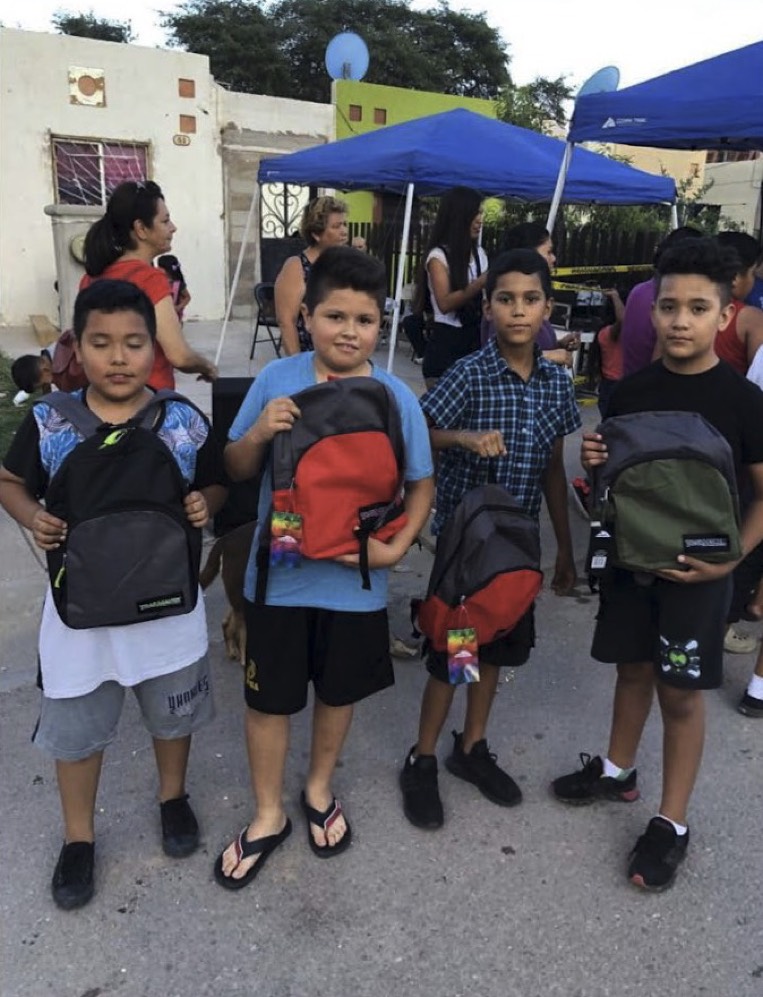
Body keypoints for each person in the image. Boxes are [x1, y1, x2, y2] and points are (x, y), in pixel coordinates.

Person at [0, 280, 228, 910]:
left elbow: (218, 486)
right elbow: (10, 481)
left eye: (134, 343)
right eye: (102, 344)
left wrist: (202, 503)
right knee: (75, 732)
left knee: (171, 714)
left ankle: (172, 797)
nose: (119, 358)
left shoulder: (179, 419)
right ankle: (79, 839)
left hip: (168, 610)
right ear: (77, 349)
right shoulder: (51, 419)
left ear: (155, 348)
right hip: (80, 618)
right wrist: (30, 515)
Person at [215, 246, 434, 889]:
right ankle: (266, 814)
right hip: (277, 578)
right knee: (268, 700)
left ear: (380, 326)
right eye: (334, 315)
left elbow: (421, 483)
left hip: (356, 587)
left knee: (338, 694)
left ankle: (316, 789)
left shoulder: (397, 397)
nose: (348, 331)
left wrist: (396, 549)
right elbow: (233, 469)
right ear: (306, 317)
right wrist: (257, 434)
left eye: (363, 320)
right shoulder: (276, 380)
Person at [551, 238, 763, 892]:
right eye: (667, 306)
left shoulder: (742, 401)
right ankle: (618, 770)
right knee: (631, 667)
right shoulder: (628, 390)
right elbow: (616, 475)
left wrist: (729, 560)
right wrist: (594, 462)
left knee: (678, 692)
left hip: (698, 574)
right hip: (630, 560)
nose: (678, 320)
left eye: (697, 307)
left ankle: (671, 822)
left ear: (723, 316)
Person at [400, 248, 581, 830]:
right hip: (467, 550)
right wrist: (465, 438)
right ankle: (423, 757)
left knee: (497, 648)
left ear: (547, 308)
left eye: (531, 300)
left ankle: (471, 748)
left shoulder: (557, 382)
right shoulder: (470, 372)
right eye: (506, 299)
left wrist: (566, 554)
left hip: (518, 550)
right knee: (454, 656)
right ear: (489, 307)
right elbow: (419, 433)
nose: (519, 311)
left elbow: (555, 467)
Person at [80, 180, 217, 390]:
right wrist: (206, 366)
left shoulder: (90, 278)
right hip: (147, 401)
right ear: (141, 229)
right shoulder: (149, 279)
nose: (173, 228)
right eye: (165, 221)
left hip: (102, 399)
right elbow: (179, 356)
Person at [419, 187, 488, 386]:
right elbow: (445, 303)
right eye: (476, 213)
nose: (480, 219)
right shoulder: (438, 257)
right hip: (446, 348)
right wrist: (480, 283)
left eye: (481, 213)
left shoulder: (479, 254)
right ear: (460, 215)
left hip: (473, 345)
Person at [620, 226, 703, 376]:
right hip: (652, 389)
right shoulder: (669, 300)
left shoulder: (638, 291)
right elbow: (661, 361)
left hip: (630, 382)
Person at [274, 195, 349, 355]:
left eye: (344, 224)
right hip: (309, 357)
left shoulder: (344, 263)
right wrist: (297, 366)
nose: (344, 231)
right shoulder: (297, 266)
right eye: (336, 226)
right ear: (316, 233)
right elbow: (286, 321)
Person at [502, 221, 579, 366]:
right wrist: (551, 355)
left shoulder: (534, 295)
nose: (553, 259)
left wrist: (559, 344)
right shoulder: (505, 299)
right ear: (529, 254)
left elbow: (532, 346)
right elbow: (502, 357)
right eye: (548, 252)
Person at [713, 231, 763, 375]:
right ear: (735, 277)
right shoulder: (752, 319)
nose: (754, 282)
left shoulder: (680, 308)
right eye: (753, 274)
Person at [592, 288, 625, 418]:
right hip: (615, 386)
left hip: (608, 386)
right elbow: (623, 320)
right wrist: (616, 297)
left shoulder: (602, 333)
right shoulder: (609, 333)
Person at [156, 253, 191, 322]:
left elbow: (187, 297)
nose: (157, 268)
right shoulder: (158, 281)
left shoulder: (178, 284)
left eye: (160, 267)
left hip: (174, 317)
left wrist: (178, 307)